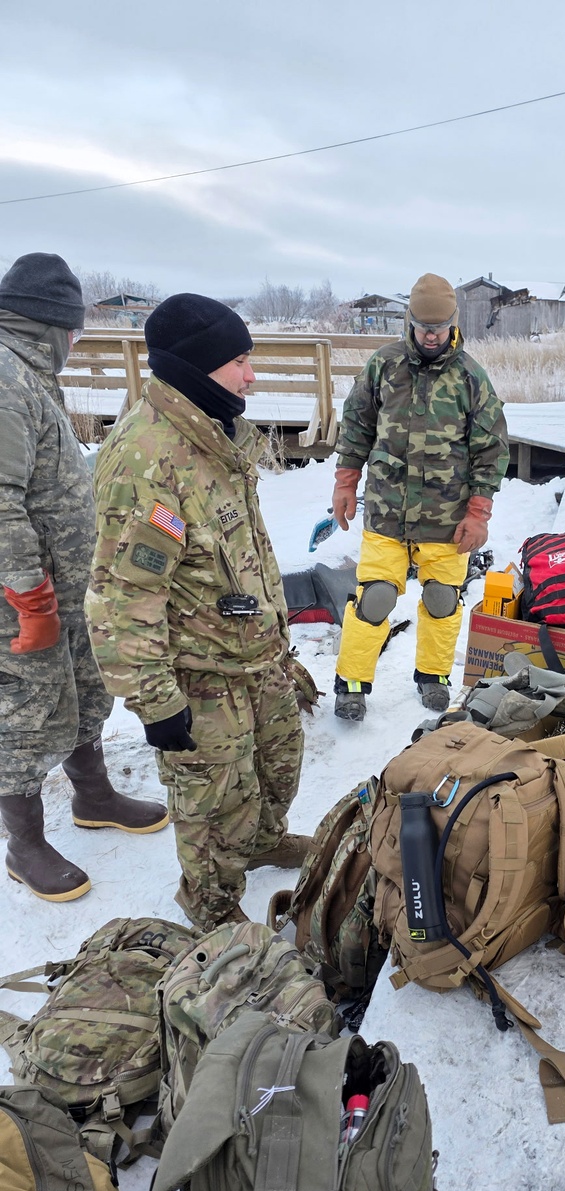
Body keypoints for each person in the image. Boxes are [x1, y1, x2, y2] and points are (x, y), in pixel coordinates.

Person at [86, 293, 312, 930]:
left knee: (277, 765)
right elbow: (121, 600)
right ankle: (212, 907)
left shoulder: (214, 430)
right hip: (201, 674)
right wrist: (157, 702)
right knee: (213, 803)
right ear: (193, 367)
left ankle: (264, 839)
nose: (252, 375)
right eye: (238, 361)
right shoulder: (147, 459)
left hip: (256, 656)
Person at [0, 253, 167, 903]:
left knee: (84, 687)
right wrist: (30, 596)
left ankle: (93, 796)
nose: (75, 343)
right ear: (48, 325)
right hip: (23, 596)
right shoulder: (8, 382)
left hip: (65, 588)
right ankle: (24, 843)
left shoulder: (30, 375)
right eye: (72, 331)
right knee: (27, 709)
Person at [330, 273, 508, 721]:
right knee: (375, 598)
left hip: (447, 517)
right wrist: (345, 482)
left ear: (453, 323)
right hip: (387, 510)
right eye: (422, 325)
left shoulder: (471, 378)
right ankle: (351, 683)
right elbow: (356, 425)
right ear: (409, 321)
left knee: (442, 599)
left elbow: (491, 449)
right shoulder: (383, 366)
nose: (430, 334)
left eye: (439, 326)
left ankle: (433, 677)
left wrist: (479, 513)